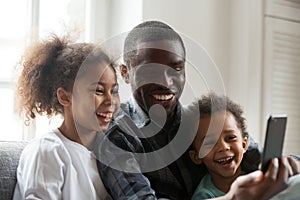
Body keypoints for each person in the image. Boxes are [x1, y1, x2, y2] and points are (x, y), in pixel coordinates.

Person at [95, 20, 299, 200]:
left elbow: (255, 154)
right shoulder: (116, 136)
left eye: (176, 69)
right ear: (125, 73)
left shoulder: (200, 120)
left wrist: (288, 163)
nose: (166, 83)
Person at [13, 34, 120, 199]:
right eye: (98, 90)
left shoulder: (109, 153)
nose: (110, 101)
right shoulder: (48, 150)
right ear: (64, 97)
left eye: (114, 91)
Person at [189, 93, 250, 199]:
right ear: (196, 157)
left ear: (244, 144)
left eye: (231, 138)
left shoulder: (256, 178)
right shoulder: (203, 195)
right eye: (210, 143)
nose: (223, 147)